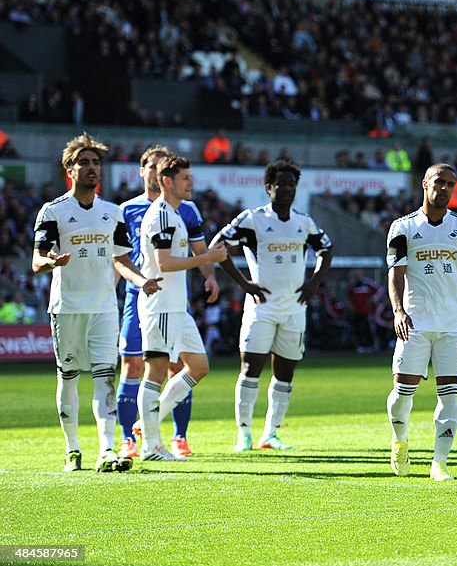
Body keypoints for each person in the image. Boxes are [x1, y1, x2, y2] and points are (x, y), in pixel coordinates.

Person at [32, 133, 161, 472]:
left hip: (105, 307)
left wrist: (141, 280)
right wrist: (51, 263)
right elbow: (36, 261)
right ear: (69, 170)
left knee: (105, 377)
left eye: (95, 163)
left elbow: (121, 260)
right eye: (83, 163)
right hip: (68, 307)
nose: (91, 168)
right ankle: (72, 449)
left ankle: (106, 450)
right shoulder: (53, 211)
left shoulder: (112, 213)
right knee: (70, 376)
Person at [211, 160, 334, 452]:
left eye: (292, 184)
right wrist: (244, 284)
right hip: (261, 309)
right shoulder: (252, 219)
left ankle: (271, 434)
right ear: (269, 187)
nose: (287, 189)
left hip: (294, 310)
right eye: (281, 184)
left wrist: (314, 281)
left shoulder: (303, 222)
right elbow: (218, 245)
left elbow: (326, 249)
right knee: (250, 369)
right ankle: (244, 434)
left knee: (285, 372)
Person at [385, 163, 457, 482]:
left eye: (450, 184)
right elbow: (396, 272)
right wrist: (399, 311)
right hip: (414, 323)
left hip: (453, 325)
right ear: (425, 184)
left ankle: (439, 462)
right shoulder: (402, 227)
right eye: (439, 182)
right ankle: (400, 441)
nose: (444, 188)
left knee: (450, 394)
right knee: (403, 392)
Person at [116, 145, 219, 460]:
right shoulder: (161, 215)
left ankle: (145, 424)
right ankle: (151, 446)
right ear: (167, 182)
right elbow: (164, 264)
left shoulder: (176, 213)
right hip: (160, 304)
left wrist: (207, 266)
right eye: (185, 178)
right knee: (156, 371)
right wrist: (208, 257)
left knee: (198, 367)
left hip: (177, 306)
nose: (191, 183)